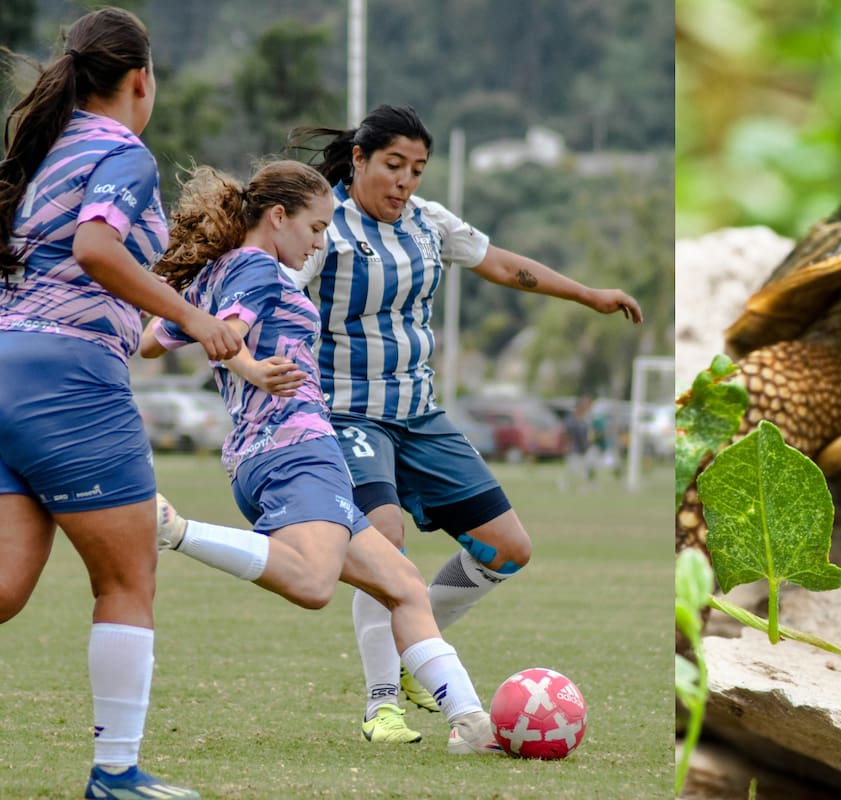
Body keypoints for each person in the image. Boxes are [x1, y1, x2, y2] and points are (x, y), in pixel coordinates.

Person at [285, 105, 644, 743]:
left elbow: (502, 264)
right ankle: (382, 705)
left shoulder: (428, 223)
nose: (405, 182)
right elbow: (279, 292)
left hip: (420, 415)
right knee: (382, 541)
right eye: (394, 165)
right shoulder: (325, 226)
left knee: (508, 549)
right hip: (346, 413)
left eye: (418, 170)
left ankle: (417, 645)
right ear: (361, 159)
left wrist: (589, 294)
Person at [140, 159, 503, 756]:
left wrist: (223, 342)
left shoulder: (220, 272)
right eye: (315, 226)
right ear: (278, 217)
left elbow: (156, 341)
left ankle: (471, 724)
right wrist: (250, 364)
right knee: (312, 583)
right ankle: (173, 529)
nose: (319, 240)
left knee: (405, 587)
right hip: (294, 447)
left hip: (274, 455)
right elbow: (228, 332)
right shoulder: (256, 267)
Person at [0, 8, 245, 799]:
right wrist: (194, 317)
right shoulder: (120, 152)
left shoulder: (41, 154)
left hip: (7, 366)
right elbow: (96, 250)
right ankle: (116, 775)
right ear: (141, 78)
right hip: (68, 382)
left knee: (4, 587)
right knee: (127, 580)